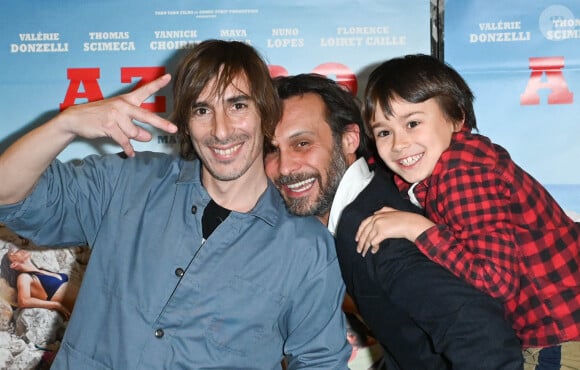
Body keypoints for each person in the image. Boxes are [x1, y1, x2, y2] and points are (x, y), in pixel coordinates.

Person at [0, 39, 350, 370]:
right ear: (185, 123)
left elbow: (320, 361)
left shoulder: (307, 250)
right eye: (202, 110)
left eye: (238, 105)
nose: (221, 130)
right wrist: (68, 123)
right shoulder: (127, 181)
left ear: (267, 116)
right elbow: (7, 193)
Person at [265, 73, 523, 369]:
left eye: (302, 143)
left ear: (350, 139)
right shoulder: (374, 194)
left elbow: (484, 339)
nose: (284, 167)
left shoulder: (378, 235)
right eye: (271, 149)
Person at [356, 53, 580, 369]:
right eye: (383, 132)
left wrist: (416, 228)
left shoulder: (461, 173)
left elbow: (496, 281)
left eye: (413, 123)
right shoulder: (450, 164)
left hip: (560, 339)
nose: (399, 143)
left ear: (456, 118)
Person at [1, 246, 78, 320]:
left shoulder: (42, 270)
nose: (20, 249)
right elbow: (23, 301)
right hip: (80, 307)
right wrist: (56, 305)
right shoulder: (24, 277)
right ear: (13, 264)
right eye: (16, 252)